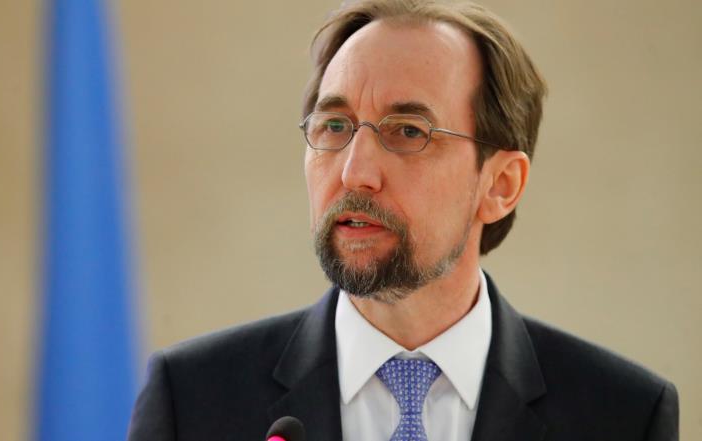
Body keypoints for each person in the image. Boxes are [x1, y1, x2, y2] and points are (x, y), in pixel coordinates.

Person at [127, 1, 679, 440]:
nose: (355, 173)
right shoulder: (193, 401)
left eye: (409, 132)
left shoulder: (622, 416)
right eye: (334, 126)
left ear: (500, 186)